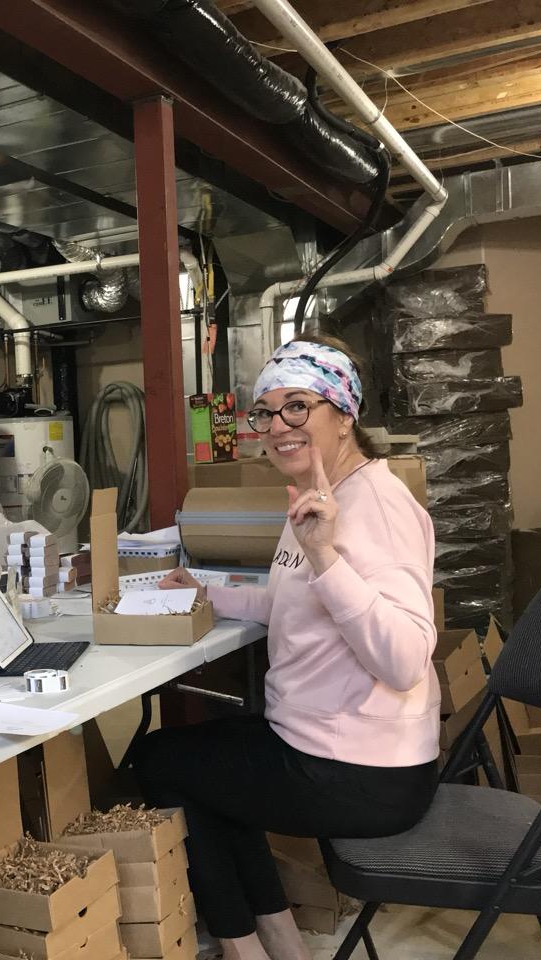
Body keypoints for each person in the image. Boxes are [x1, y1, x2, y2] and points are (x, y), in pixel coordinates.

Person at [136, 334, 439, 960]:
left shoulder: (377, 506)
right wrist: (206, 594)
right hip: (329, 745)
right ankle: (276, 939)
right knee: (202, 759)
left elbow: (405, 659)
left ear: (345, 413)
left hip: (363, 772)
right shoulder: (321, 492)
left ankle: (248, 946)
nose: (278, 427)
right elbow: (292, 604)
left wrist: (324, 554)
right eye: (267, 413)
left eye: (298, 406)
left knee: (162, 761)